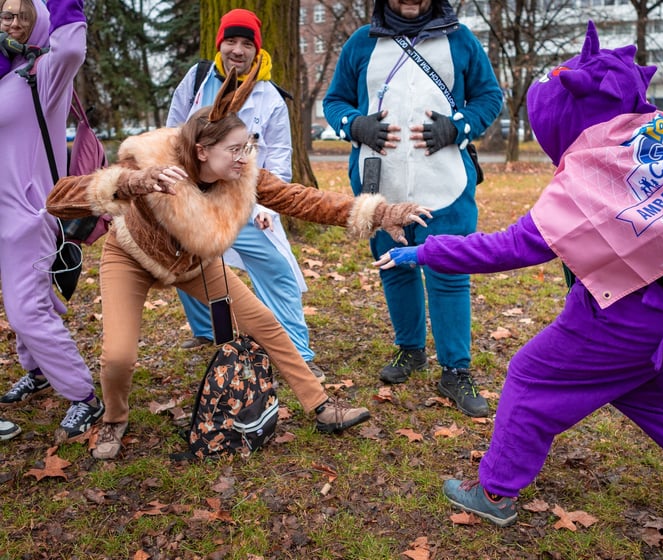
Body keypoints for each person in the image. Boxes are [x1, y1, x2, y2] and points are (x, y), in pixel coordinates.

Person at [376, 22, 663, 558]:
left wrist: (426, 250)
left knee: (530, 375)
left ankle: (495, 492)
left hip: (635, 317)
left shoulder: (594, 174)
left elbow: (513, 247)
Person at [46, 62, 431, 460]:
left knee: (265, 322)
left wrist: (379, 213)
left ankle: (321, 407)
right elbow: (58, 199)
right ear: (202, 151)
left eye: (249, 146)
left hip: (195, 264)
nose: (246, 157)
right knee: (118, 356)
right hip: (131, 256)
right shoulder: (146, 164)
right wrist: (127, 183)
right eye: (235, 149)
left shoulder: (242, 174)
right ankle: (114, 418)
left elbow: (303, 199)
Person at [323, 0, 503, 417]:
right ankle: (410, 350)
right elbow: (335, 101)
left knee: (449, 272)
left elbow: (489, 96)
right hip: (381, 186)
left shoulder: (460, 40)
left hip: (446, 183)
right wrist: (355, 124)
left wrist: (458, 128)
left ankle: (456, 369)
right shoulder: (360, 42)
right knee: (394, 267)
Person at [167, 9, 325, 379]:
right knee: (183, 262)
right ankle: (207, 330)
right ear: (219, 43)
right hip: (197, 195)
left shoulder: (270, 97)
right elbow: (174, 130)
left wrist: (273, 206)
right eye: (230, 41)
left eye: (246, 43)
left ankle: (298, 351)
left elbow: (281, 157)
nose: (237, 50)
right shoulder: (197, 80)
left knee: (277, 271)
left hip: (246, 203)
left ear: (257, 49)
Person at [0, 0, 105, 442]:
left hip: (28, 214)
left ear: (39, 19)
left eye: (22, 14)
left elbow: (70, 50)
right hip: (2, 215)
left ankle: (84, 396)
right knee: (23, 301)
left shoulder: (43, 73)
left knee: (28, 313)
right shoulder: (7, 70)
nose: (13, 23)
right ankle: (38, 371)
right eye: (6, 14)